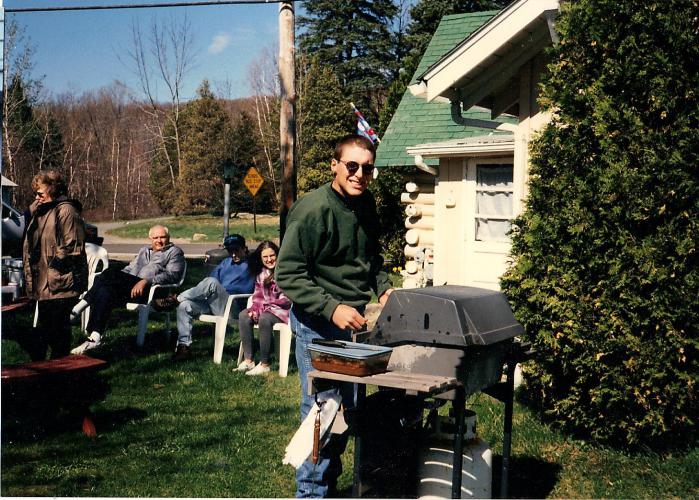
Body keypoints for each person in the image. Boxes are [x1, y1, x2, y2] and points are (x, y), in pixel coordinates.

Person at [275, 134, 394, 497]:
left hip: (354, 325)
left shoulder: (366, 203)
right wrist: (332, 308)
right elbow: (288, 274)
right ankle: (311, 493)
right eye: (352, 166)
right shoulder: (312, 210)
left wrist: (385, 288)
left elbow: (371, 257)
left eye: (367, 169)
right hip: (318, 325)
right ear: (335, 166)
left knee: (348, 414)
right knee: (322, 418)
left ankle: (328, 487)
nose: (360, 175)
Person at [70, 224, 185, 354]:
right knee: (105, 289)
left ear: (168, 237)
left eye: (162, 237)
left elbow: (174, 275)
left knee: (109, 273)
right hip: (130, 288)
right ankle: (94, 338)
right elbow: (129, 269)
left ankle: (77, 309)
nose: (159, 240)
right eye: (155, 237)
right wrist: (118, 279)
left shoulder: (175, 252)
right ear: (150, 238)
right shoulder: (144, 251)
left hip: (151, 292)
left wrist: (146, 281)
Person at [153, 233, 255, 361]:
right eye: (230, 251)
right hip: (215, 303)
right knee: (184, 306)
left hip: (234, 307)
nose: (233, 254)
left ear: (244, 248)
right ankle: (184, 347)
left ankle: (175, 299)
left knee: (211, 283)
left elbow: (251, 289)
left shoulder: (252, 265)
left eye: (237, 250)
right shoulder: (225, 263)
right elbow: (207, 284)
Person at [22, 170, 88, 361]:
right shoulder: (41, 210)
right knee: (46, 330)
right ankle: (46, 373)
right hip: (43, 282)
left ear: (53, 190)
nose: (37, 197)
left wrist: (55, 265)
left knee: (58, 334)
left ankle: (60, 375)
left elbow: (73, 244)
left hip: (59, 282)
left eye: (40, 193)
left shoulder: (65, 210)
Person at [236, 241, 291, 376]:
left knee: (265, 318)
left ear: (278, 255)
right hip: (266, 308)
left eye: (272, 255)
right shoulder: (262, 274)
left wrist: (264, 308)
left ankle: (264, 364)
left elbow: (286, 299)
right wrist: (255, 308)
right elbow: (258, 296)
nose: (269, 259)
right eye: (265, 257)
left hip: (283, 310)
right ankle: (248, 360)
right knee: (244, 315)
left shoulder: (285, 271)